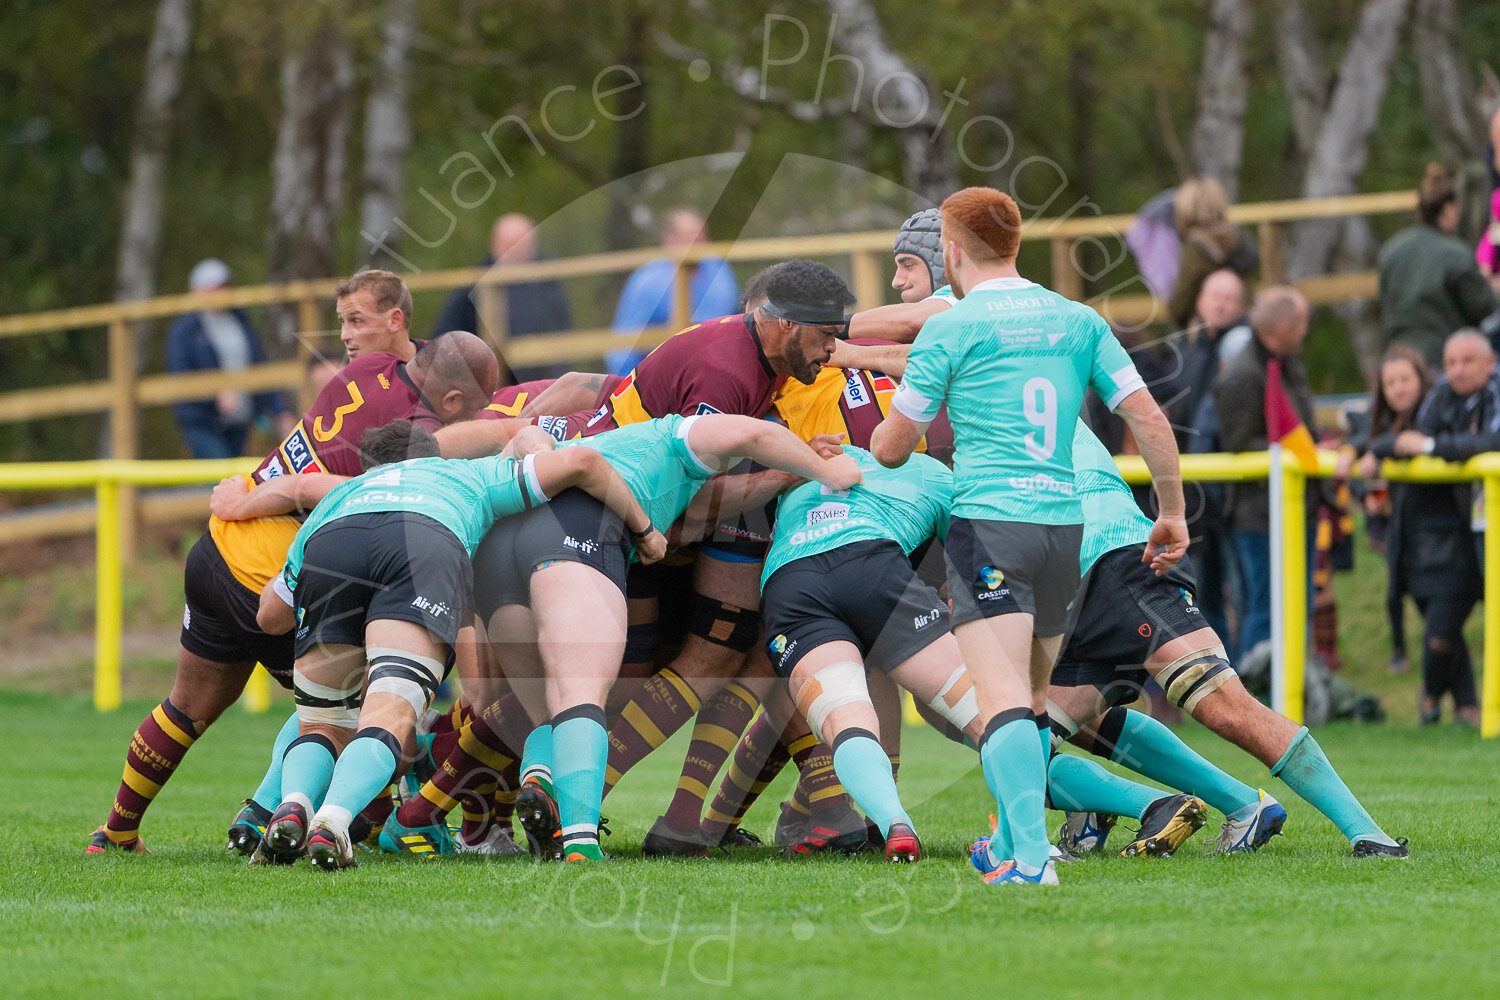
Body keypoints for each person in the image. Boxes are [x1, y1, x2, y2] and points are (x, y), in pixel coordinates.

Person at [871, 186, 1188, 886]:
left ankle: (1031, 860)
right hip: (1063, 530)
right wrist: (1172, 513)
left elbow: (894, 448)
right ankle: (1013, 845)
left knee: (1002, 701)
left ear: (951, 251)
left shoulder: (951, 329)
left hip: (991, 528)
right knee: (1035, 703)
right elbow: (1150, 419)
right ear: (1016, 244)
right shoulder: (1078, 319)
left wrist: (877, 430)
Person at [84, 320, 498, 856]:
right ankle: (330, 822)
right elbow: (324, 487)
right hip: (270, 570)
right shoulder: (418, 433)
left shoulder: (369, 368)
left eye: (354, 319)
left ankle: (116, 832)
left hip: (217, 549)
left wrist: (241, 499)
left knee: (189, 705)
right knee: (368, 711)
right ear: (452, 398)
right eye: (475, 408)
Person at [253, 418, 660, 871]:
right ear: (431, 456)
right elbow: (581, 461)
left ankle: (292, 804)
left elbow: (269, 617)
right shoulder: (464, 474)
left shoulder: (336, 497)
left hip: (332, 546)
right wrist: (645, 530)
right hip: (423, 540)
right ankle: (332, 820)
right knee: (390, 717)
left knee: (321, 726)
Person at [1048, 421, 1410, 859]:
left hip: (1117, 563)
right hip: (1081, 583)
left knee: (1226, 707)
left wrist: (1173, 514)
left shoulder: (986, 389)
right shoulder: (1035, 377)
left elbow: (1146, 413)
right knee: (1026, 734)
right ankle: (1235, 807)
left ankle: (1370, 836)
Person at [1370, 329, 1500, 727]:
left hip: (1461, 536)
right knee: (1442, 632)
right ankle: (1464, 708)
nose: (1457, 371)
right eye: (1450, 363)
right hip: (1445, 536)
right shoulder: (1441, 396)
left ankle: (1437, 699)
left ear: (1490, 362)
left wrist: (1430, 448)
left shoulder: (1493, 395)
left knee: (1443, 633)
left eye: (1467, 361)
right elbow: (1394, 441)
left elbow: (1485, 442)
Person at [1213, 286, 1319, 662]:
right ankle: (1256, 702)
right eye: (1302, 322)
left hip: (1297, 506)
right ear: (1283, 327)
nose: (1307, 330)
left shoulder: (1289, 363)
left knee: (1299, 602)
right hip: (1259, 514)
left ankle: (1296, 693)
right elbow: (1238, 445)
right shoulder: (1243, 375)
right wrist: (1297, 453)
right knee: (1265, 604)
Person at [1340, 345, 1434, 674]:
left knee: (1432, 601)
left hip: (1435, 522)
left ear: (1421, 379)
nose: (1398, 388)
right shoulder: (1383, 420)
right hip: (1398, 520)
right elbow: (1363, 439)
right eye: (1390, 382)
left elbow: (1403, 443)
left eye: (1405, 379)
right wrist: (1352, 452)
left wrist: (1376, 451)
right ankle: (1400, 651)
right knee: (1395, 589)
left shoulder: (1432, 412)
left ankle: (1439, 666)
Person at [166, 258, 295, 459]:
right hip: (202, 420)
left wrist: (281, 411)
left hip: (240, 421)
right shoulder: (184, 330)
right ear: (198, 291)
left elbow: (260, 368)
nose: (222, 292)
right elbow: (181, 375)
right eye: (215, 287)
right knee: (217, 474)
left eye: (224, 286)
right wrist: (215, 393)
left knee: (236, 477)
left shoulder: (241, 321)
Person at [1377, 164, 1498, 370]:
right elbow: (1484, 306)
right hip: (1444, 362)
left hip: (1397, 362)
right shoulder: (1456, 254)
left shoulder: (1390, 251)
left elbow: (1383, 304)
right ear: (1450, 209)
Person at [428, 213, 574, 381]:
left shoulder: (548, 279)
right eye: (511, 245)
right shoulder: (473, 284)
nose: (518, 251)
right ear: (494, 243)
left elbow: (562, 327)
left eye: (525, 244)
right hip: (491, 383)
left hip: (541, 379)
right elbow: (446, 335)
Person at [607, 207, 739, 373]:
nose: (700, 243)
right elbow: (622, 348)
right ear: (669, 241)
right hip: (656, 379)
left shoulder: (719, 272)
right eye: (691, 236)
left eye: (702, 235)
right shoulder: (647, 281)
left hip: (714, 372)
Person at [1165, 177, 1259, 332]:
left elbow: (1179, 306)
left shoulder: (1196, 248)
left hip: (1208, 331)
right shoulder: (1241, 239)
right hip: (1246, 326)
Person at [335, 268, 419, 362]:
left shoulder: (437, 364)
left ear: (394, 320)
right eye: (343, 321)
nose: (344, 336)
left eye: (356, 321)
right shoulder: (347, 376)